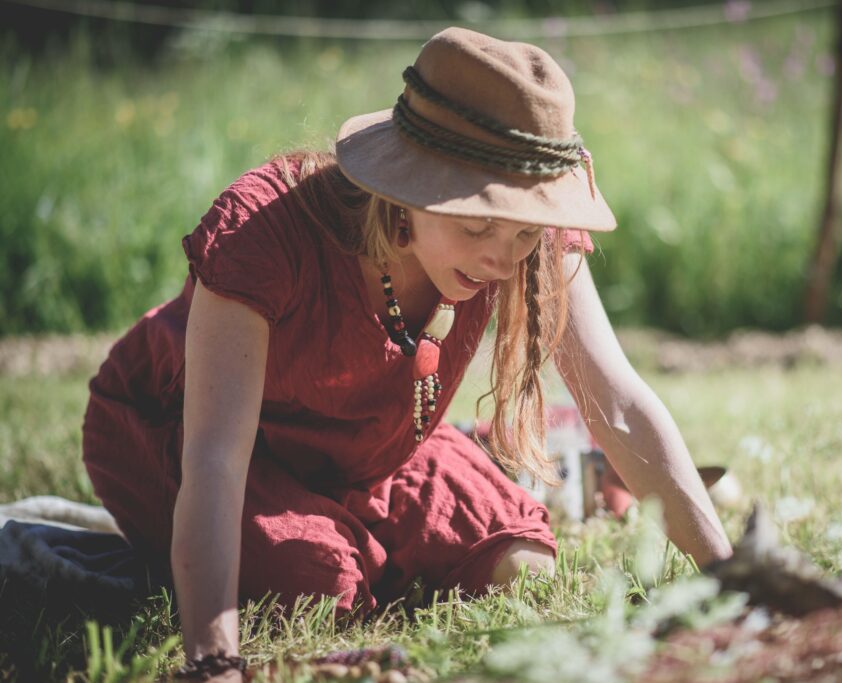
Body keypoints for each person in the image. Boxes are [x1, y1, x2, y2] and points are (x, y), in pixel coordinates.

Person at [81, 27, 731, 681]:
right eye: (477, 223)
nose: (502, 259)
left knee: (520, 565)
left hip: (367, 447)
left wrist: (733, 583)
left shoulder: (521, 249)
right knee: (321, 588)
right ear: (409, 187)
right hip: (184, 430)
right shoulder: (265, 232)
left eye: (525, 230)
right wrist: (212, 656)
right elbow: (217, 458)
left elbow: (615, 400)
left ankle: (356, 531)